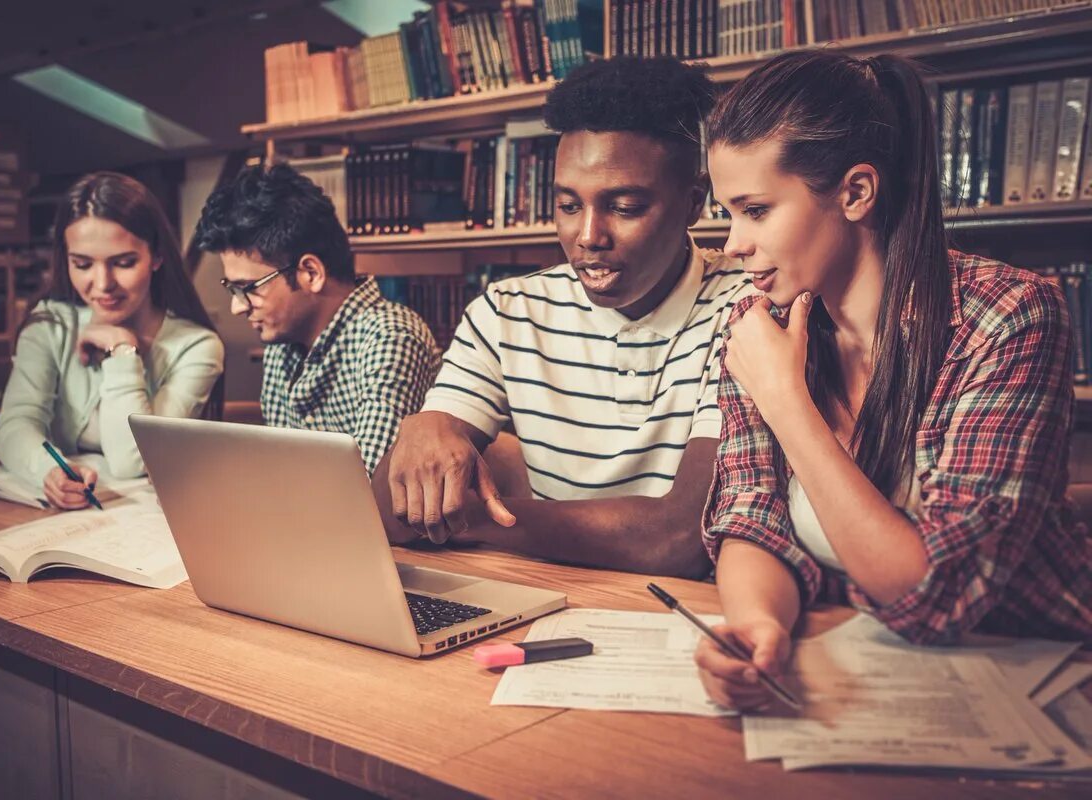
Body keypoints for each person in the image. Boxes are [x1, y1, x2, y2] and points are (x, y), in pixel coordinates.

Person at [696, 50, 1092, 710]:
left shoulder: (1010, 317)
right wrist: (758, 624)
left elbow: (935, 599)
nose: (732, 243)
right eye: (727, 212)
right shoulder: (758, 327)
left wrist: (788, 402)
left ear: (855, 193)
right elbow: (752, 517)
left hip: (1035, 677)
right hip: (866, 672)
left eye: (756, 210)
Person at [375, 57, 753, 578]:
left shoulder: (745, 309)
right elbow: (391, 512)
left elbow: (681, 537)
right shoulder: (506, 313)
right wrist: (426, 427)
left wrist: (463, 518)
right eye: (569, 205)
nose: (588, 236)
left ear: (692, 202)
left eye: (623, 206)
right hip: (549, 594)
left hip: (695, 619)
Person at [0, 172, 224, 510]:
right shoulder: (50, 324)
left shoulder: (196, 347)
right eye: (83, 264)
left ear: (156, 256)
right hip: (57, 519)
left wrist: (121, 350)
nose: (102, 284)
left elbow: (132, 462)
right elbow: (13, 426)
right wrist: (49, 471)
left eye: (123, 263)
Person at [192, 162, 439, 475]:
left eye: (247, 288)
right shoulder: (282, 342)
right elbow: (283, 471)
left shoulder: (391, 337)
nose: (237, 308)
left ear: (311, 273)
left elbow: (364, 489)